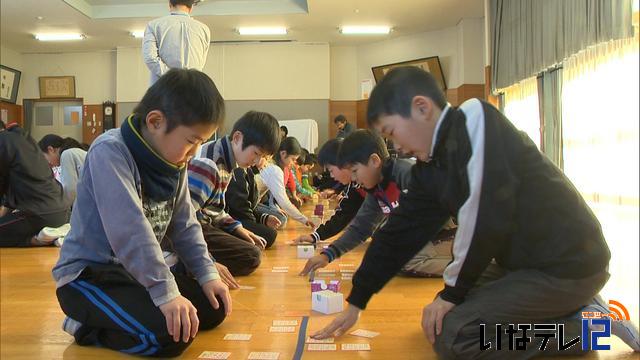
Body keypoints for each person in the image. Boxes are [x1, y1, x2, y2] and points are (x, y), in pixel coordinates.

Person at [311, 66, 640, 356]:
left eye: (392, 133)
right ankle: (579, 309)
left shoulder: (474, 119)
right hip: (524, 265)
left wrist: (452, 292)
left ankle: (588, 330)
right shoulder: (430, 167)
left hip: (568, 265)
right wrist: (357, 300)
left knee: (457, 336)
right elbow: (399, 232)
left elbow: (484, 214)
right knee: (442, 322)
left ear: (421, 108)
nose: (396, 147)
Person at [52, 69, 231, 357]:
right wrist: (166, 292)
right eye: (191, 141)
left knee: (213, 307)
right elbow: (130, 230)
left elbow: (185, 224)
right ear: (156, 121)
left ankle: (124, 312)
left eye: (201, 143)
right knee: (171, 336)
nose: (195, 152)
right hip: (90, 277)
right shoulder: (110, 151)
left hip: (135, 274)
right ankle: (84, 326)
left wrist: (206, 272)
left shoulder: (176, 162)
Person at [298, 129, 453, 278]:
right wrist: (327, 255)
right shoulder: (376, 189)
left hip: (452, 235)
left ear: (374, 161)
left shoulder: (406, 173)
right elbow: (361, 228)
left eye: (355, 171)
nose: (353, 179)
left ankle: (468, 267)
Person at [198, 111, 282, 248]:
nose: (257, 161)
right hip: (198, 227)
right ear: (237, 138)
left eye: (264, 157)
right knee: (250, 253)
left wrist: (238, 228)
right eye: (256, 153)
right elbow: (191, 216)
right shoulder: (213, 161)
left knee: (252, 249)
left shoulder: (232, 162)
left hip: (211, 222)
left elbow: (217, 209)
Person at [0, 123, 69, 247]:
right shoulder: (26, 141)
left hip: (39, 214)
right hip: (62, 212)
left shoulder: (3, 141)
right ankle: (53, 236)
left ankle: (38, 240)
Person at [291, 138, 366, 245]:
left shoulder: (376, 180)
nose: (332, 176)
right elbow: (343, 215)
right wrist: (315, 236)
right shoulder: (355, 185)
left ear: (345, 163)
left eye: (331, 170)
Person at [143, 0, 210, 85]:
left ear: (170, 4)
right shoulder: (204, 29)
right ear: (191, 7)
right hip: (192, 87)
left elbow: (150, 58)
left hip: (163, 90)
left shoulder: (154, 25)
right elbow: (201, 63)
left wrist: (173, 77)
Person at [256, 137, 315, 228]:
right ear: (283, 154)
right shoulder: (275, 169)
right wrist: (304, 219)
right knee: (281, 220)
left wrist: (275, 208)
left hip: (256, 202)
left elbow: (273, 195)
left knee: (282, 217)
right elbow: (283, 201)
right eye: (293, 159)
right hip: (250, 203)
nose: (294, 163)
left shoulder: (278, 167)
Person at [38, 134, 88, 207]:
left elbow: (70, 192)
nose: (47, 164)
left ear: (50, 150)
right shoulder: (73, 152)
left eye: (44, 158)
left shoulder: (66, 154)